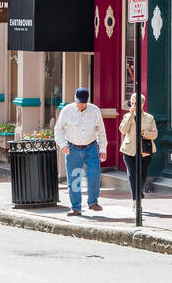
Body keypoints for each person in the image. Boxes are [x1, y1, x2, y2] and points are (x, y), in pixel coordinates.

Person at [54, 87, 107, 216]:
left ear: (87, 101)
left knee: (94, 174)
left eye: (83, 102)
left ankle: (93, 202)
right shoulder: (67, 111)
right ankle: (76, 207)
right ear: (75, 99)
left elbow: (101, 131)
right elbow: (58, 129)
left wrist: (103, 149)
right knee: (74, 178)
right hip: (73, 148)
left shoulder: (95, 111)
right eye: (79, 102)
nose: (81, 105)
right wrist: (63, 145)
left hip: (91, 147)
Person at [119, 93, 158, 201]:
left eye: (136, 103)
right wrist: (131, 116)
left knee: (142, 175)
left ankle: (138, 193)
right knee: (132, 175)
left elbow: (154, 134)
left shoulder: (149, 118)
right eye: (132, 103)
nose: (134, 105)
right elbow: (123, 130)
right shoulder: (127, 116)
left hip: (144, 151)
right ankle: (136, 200)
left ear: (142, 104)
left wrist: (144, 133)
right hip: (129, 150)